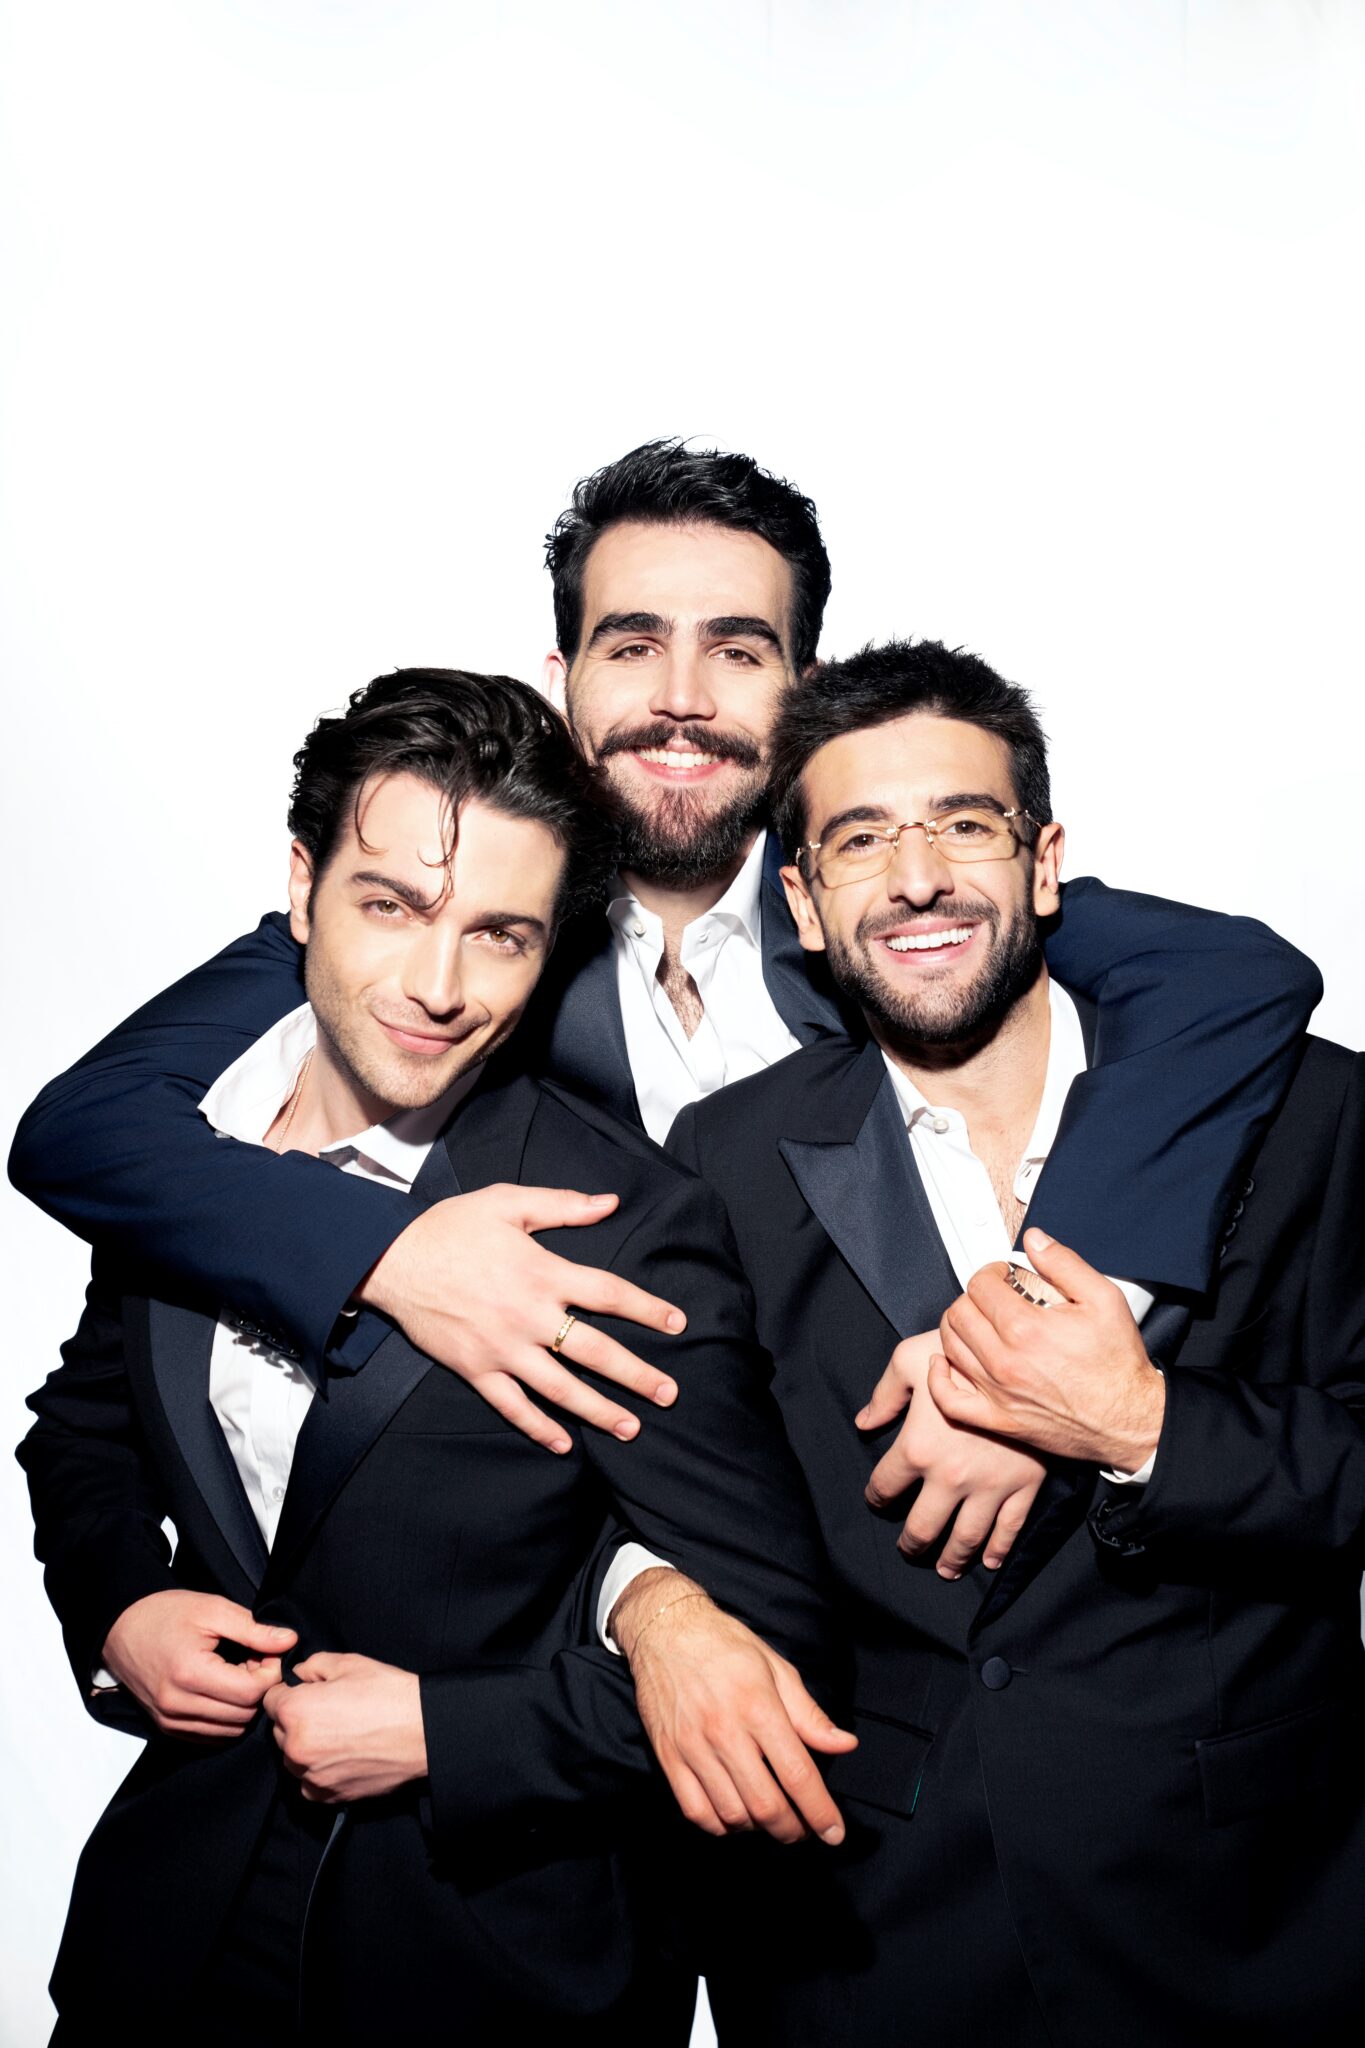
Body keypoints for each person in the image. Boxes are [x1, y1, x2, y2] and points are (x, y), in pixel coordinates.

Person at [16, 670, 843, 2044]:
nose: (437, 988)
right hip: (171, 1937)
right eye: (390, 906)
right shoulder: (197, 1153)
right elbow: (84, 1427)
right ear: (302, 888)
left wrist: (449, 1735)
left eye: (500, 935)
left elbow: (777, 1645)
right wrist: (119, 1609)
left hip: (486, 1966)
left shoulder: (623, 1226)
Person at [649, 637, 1365, 2045]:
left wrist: (1138, 1426)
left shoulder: (1311, 1118)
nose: (916, 877)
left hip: (1253, 1913)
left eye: (962, 825)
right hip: (875, 1935)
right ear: (802, 902)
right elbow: (674, 1491)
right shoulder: (721, 1160)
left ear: (1044, 865)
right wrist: (657, 1604)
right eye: (861, 840)